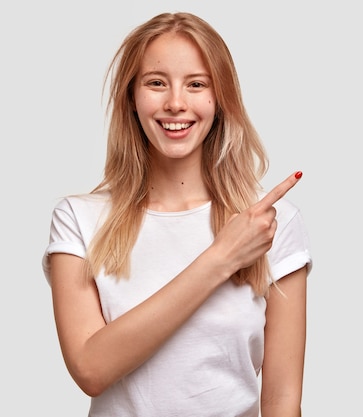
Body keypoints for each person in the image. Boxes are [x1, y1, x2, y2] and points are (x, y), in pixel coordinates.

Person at [42, 11, 312, 417]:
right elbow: (90, 369)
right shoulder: (78, 220)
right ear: (132, 98)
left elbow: (281, 399)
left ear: (220, 100)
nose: (175, 103)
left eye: (197, 84)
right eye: (156, 83)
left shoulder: (272, 224)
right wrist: (221, 259)